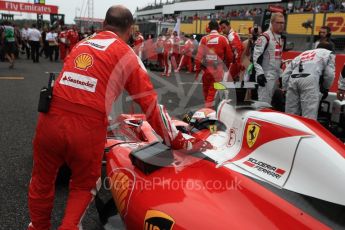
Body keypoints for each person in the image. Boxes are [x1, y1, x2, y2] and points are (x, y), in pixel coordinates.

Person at [27, 5, 209, 230]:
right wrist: (179, 140)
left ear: (104, 24)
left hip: (50, 120)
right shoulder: (126, 54)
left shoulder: (81, 44)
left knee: (41, 182)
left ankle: (37, 226)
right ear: (131, 30)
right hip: (86, 128)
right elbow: (151, 106)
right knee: (83, 185)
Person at [282, 43, 335, 120]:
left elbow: (286, 72)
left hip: (293, 79)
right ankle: (306, 132)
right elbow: (330, 74)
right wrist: (326, 87)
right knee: (309, 116)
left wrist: (285, 87)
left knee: (290, 116)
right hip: (309, 80)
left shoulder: (304, 53)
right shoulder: (328, 53)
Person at [195, 20, 233, 108]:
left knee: (206, 93)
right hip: (218, 70)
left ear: (208, 28)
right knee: (212, 94)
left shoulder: (204, 39)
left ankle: (208, 110)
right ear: (219, 28)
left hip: (206, 70)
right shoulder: (223, 39)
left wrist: (197, 72)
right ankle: (208, 112)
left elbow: (198, 58)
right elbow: (230, 57)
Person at [253, 12, 285, 104]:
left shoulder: (280, 38)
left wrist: (281, 75)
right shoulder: (265, 37)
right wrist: (260, 74)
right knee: (264, 103)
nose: (281, 25)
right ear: (272, 22)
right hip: (265, 76)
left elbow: (277, 59)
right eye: (278, 23)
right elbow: (256, 57)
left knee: (273, 103)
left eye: (282, 23)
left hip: (275, 75)